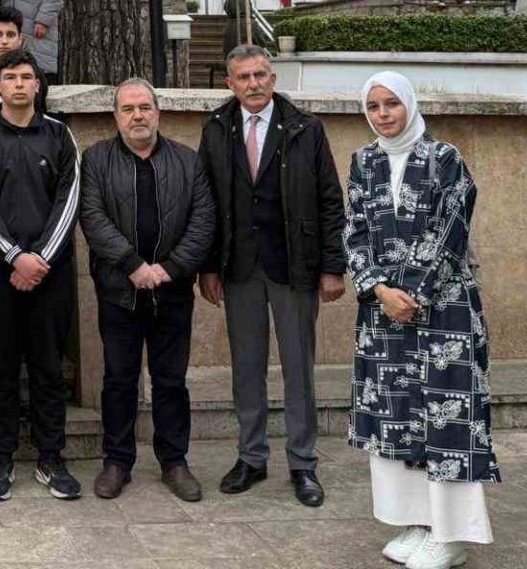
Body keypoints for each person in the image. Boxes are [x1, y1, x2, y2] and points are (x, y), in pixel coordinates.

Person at [347, 72, 498, 569]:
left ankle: (451, 534)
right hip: (383, 314)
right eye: (374, 105)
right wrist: (379, 290)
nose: (383, 114)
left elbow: (450, 231)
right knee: (395, 417)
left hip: (442, 311)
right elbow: (354, 232)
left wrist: (410, 293)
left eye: (392, 103)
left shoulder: (444, 158)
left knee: (447, 418)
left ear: (409, 105)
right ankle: (418, 521)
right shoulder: (363, 162)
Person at [196, 44, 347, 508]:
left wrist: (332, 266)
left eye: (260, 75)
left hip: (294, 267)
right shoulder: (216, 128)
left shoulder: (306, 128)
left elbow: (330, 199)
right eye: (244, 77)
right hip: (239, 267)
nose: (254, 84)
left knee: (298, 368)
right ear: (230, 84)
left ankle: (302, 463)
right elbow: (205, 202)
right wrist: (207, 266)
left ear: (273, 78)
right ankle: (251, 457)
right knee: (247, 368)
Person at [79, 78, 215, 504]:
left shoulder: (188, 161)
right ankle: (117, 462)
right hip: (119, 291)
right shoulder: (96, 159)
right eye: (128, 109)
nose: (137, 115)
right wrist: (133, 266)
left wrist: (169, 270)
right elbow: (92, 217)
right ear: (115, 116)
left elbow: (203, 221)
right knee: (119, 379)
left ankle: (174, 462)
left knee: (171, 381)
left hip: (172, 292)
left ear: (158, 112)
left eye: (144, 107)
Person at [0, 51, 82, 503]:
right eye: (10, 76)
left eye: (26, 77)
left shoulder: (59, 134)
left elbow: (69, 199)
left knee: (48, 367)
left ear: (38, 85)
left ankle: (51, 456)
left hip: (49, 274)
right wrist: (14, 256)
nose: (18, 83)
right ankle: (0, 457)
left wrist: (39, 259)